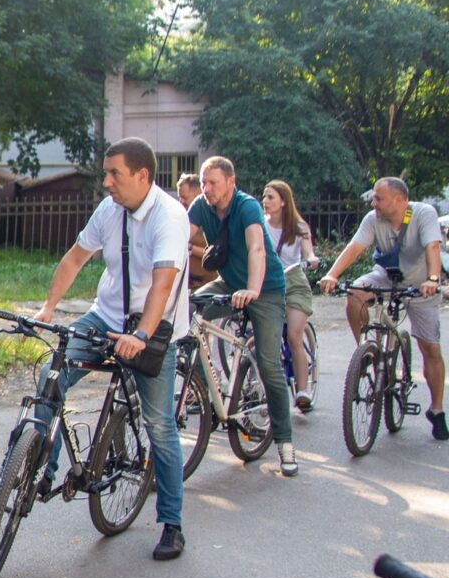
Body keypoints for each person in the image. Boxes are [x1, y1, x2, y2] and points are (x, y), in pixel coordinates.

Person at [37, 137, 189, 561]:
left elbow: (163, 284)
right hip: (105, 317)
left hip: (152, 329)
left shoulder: (170, 217)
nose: (105, 182)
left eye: (114, 174)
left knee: (160, 426)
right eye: (105, 173)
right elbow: (73, 259)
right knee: (52, 371)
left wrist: (140, 335)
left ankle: (172, 524)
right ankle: (39, 465)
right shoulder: (110, 210)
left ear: (142, 175)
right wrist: (49, 307)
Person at [187, 156, 299, 477]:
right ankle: (203, 386)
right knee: (188, 312)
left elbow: (257, 249)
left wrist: (252, 289)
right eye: (204, 182)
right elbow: (178, 239)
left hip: (265, 288)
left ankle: (285, 443)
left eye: (213, 183)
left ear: (231, 183)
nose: (206, 189)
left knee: (268, 364)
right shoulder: (201, 206)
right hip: (230, 283)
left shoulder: (247, 206)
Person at [317, 176, 445, 439]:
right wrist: (332, 274)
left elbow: (433, 246)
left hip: (421, 284)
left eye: (378, 198)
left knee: (430, 347)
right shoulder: (373, 219)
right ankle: (367, 351)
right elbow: (354, 248)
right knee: (354, 293)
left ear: (399, 200)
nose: (372, 202)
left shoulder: (424, 214)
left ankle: (437, 409)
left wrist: (433, 279)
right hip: (386, 275)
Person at [260, 180, 320, 410]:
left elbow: (308, 251)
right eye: (264, 197)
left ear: (284, 201)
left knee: (294, 337)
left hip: (293, 281)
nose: (265, 202)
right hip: (268, 283)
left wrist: (311, 258)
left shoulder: (298, 226)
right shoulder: (260, 226)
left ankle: (303, 391)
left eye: (271, 197)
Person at [177, 172, 218, 289]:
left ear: (197, 195)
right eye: (179, 197)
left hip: (206, 285)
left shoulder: (211, 220)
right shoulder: (182, 218)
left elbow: (216, 254)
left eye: (184, 197)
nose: (181, 202)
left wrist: (190, 248)